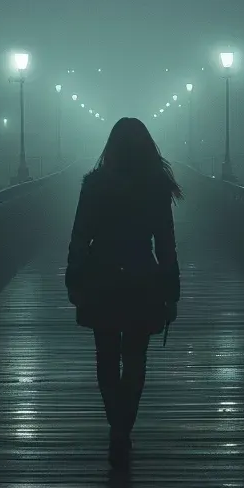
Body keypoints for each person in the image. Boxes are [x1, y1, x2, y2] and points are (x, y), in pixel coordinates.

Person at [65, 117, 183, 468]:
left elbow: (79, 238)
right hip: (141, 281)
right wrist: (171, 291)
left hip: (102, 279)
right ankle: (124, 426)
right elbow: (166, 244)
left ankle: (115, 423)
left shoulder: (95, 186)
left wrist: (74, 279)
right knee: (135, 358)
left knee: (105, 356)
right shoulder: (155, 188)